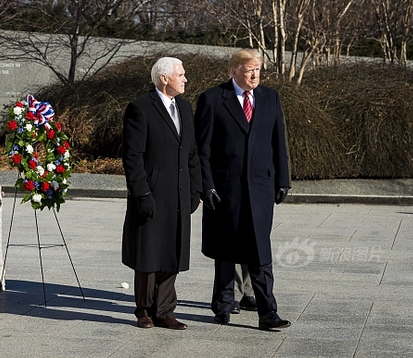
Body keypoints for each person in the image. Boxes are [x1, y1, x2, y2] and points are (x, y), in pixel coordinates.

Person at [195, 49, 292, 330]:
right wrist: (206, 185)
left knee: (261, 251)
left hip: (261, 187)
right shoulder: (213, 99)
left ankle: (267, 312)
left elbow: (278, 143)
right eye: (249, 70)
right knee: (226, 249)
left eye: (258, 70)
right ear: (234, 70)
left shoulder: (270, 98)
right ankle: (223, 305)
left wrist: (282, 180)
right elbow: (202, 149)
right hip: (225, 188)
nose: (255, 75)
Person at [121, 57, 202, 330]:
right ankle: (144, 309)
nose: (185, 79)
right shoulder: (140, 108)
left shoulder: (185, 108)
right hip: (152, 193)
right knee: (149, 253)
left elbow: (191, 152)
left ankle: (165, 310)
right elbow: (132, 156)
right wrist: (141, 193)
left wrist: (196, 189)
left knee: (172, 251)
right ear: (164, 78)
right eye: (181, 74)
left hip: (178, 194)